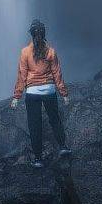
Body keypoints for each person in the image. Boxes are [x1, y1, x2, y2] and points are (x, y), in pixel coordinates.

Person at [10, 19, 70, 167]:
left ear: (31, 35)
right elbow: (57, 74)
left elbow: (22, 76)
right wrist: (64, 94)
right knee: (55, 119)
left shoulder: (25, 52)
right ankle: (62, 147)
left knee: (34, 125)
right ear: (44, 34)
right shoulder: (51, 51)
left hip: (32, 93)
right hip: (49, 91)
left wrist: (16, 97)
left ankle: (38, 159)